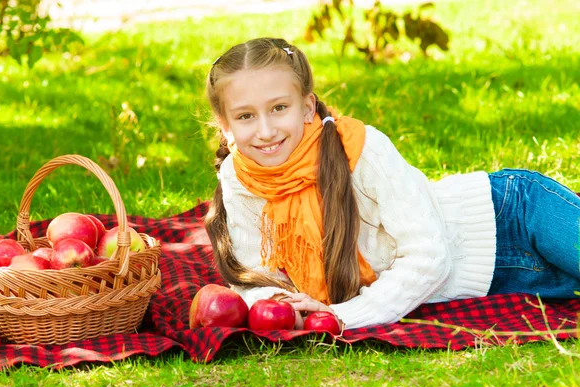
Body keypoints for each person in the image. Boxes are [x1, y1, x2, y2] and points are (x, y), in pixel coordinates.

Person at [203, 37, 580, 330]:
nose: (266, 131)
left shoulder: (362, 151)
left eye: (279, 108)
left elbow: (430, 257)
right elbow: (255, 278)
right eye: (246, 116)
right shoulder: (239, 180)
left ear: (306, 107)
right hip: (506, 280)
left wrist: (344, 315)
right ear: (226, 126)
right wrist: (285, 309)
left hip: (515, 216)